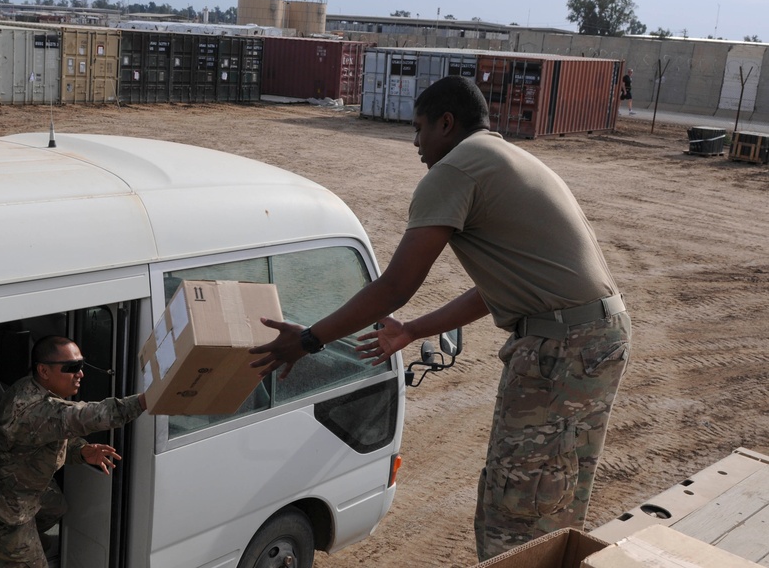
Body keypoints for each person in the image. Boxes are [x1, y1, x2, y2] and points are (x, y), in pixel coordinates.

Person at [250, 76, 631, 561]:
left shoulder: (456, 169)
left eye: (419, 128)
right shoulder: (502, 158)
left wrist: (308, 340)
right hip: (592, 338)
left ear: (446, 124)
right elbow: (496, 291)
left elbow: (395, 286)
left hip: (563, 349)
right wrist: (411, 331)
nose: (415, 144)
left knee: (516, 511)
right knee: (552, 496)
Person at [0, 335, 147, 568]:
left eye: (82, 365)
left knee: (56, 506)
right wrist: (146, 400)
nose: (80, 373)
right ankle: (9, 550)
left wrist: (81, 450)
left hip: (20, 485)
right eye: (72, 367)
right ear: (44, 370)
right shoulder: (34, 410)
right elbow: (89, 416)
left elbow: (49, 434)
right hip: (7, 509)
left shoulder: (30, 387)